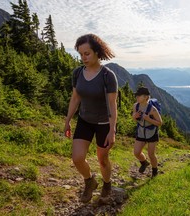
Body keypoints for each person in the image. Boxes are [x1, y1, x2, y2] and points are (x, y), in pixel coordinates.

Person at [64, 33, 118, 203]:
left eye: (87, 53)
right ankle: (89, 181)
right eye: (80, 54)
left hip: (103, 123)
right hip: (85, 120)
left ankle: (107, 183)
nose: (83, 58)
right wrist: (67, 121)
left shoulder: (108, 76)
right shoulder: (78, 73)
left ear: (97, 52)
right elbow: (75, 98)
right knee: (77, 158)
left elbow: (112, 104)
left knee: (102, 159)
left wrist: (112, 130)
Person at [132, 87, 162, 178]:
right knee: (136, 152)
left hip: (152, 132)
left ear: (146, 97)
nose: (136, 96)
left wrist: (148, 119)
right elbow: (134, 119)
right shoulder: (135, 106)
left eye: (139, 95)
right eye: (136, 95)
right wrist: (134, 116)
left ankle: (155, 171)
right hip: (141, 131)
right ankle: (144, 163)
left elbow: (160, 123)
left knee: (151, 154)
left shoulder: (152, 109)